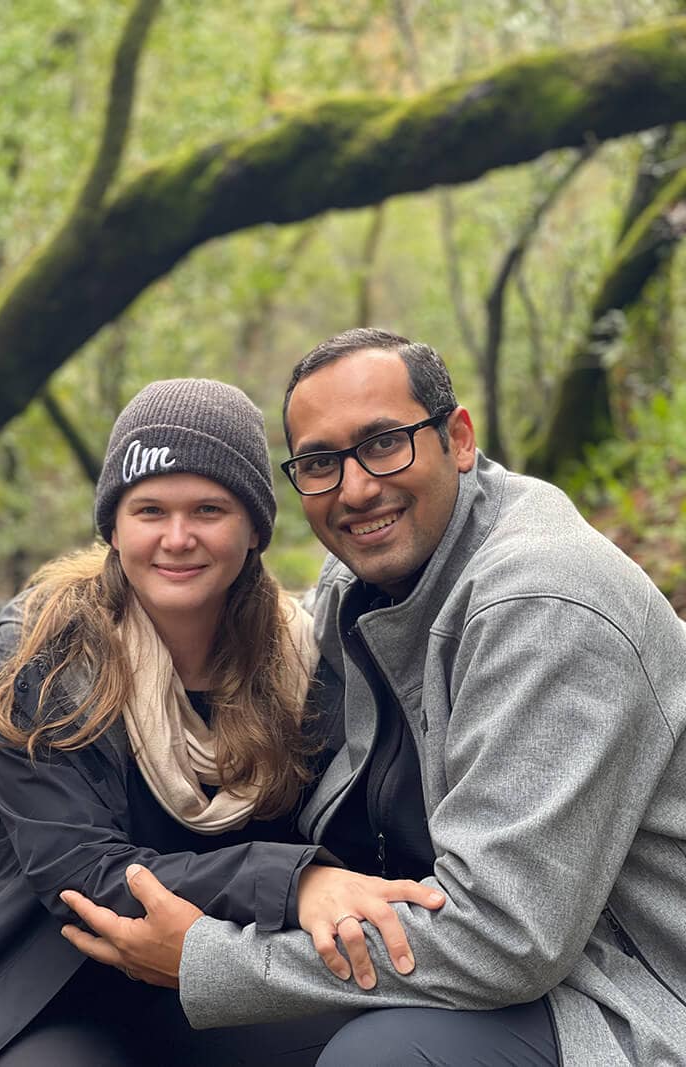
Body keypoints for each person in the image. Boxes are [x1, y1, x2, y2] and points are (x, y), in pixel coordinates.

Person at [61, 329, 686, 1066]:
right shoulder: (360, 586)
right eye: (320, 463)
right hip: (455, 957)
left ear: (458, 439)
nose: (355, 489)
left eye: (385, 443)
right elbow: (244, 658)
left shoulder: (543, 605)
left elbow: (509, 939)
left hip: (623, 993)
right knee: (173, 1032)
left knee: (377, 1056)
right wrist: (43, 700)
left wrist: (213, 961)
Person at [0, 376, 443, 1067]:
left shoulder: (308, 664)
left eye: (209, 509)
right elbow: (82, 875)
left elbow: (367, 831)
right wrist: (295, 882)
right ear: (114, 527)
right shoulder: (42, 657)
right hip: (44, 985)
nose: (177, 538)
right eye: (149, 510)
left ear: (254, 529)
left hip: (219, 980)